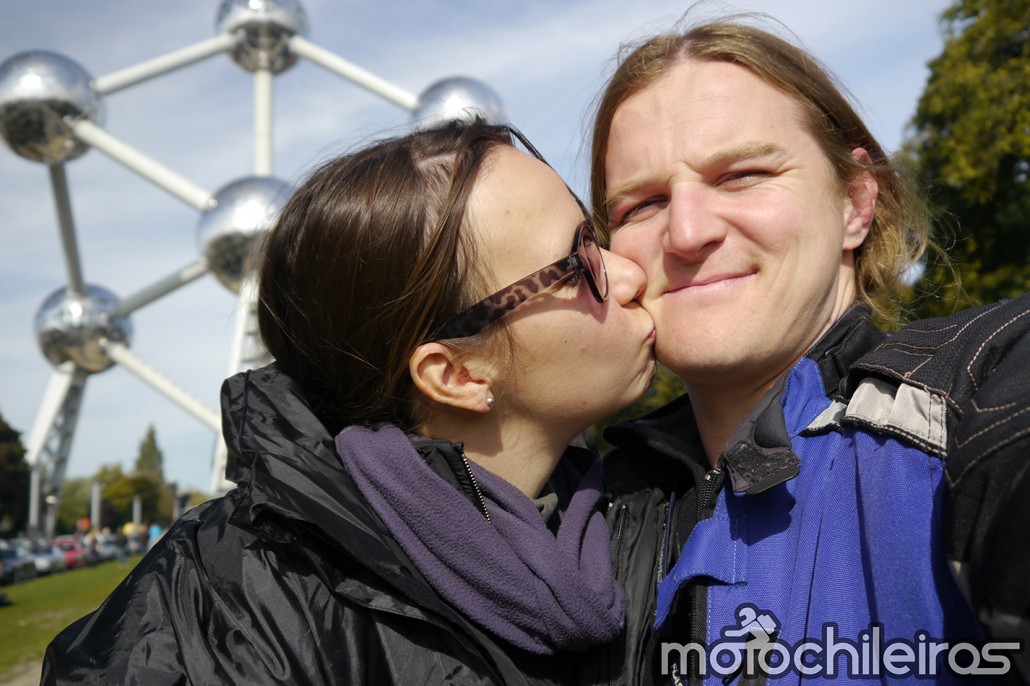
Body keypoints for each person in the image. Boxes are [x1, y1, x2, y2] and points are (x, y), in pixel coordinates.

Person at [41, 118, 657, 684]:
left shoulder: (648, 520)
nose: (630, 274)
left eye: (595, 234)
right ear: (455, 375)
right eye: (577, 264)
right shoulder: (222, 627)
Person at [587, 16, 1030, 685]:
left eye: (742, 174)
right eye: (641, 205)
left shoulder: (979, 398)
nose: (686, 232)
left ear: (854, 203)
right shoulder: (582, 513)